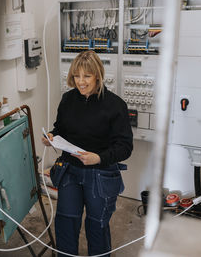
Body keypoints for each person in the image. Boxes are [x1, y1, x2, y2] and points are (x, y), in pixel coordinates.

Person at [41, 50, 133, 256]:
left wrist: (98, 158)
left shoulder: (115, 105)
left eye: (87, 76)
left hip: (100, 175)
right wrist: (51, 136)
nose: (81, 82)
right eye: (76, 76)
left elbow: (125, 147)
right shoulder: (67, 100)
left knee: (97, 227)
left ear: (98, 76)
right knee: (66, 222)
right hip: (70, 172)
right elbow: (60, 129)